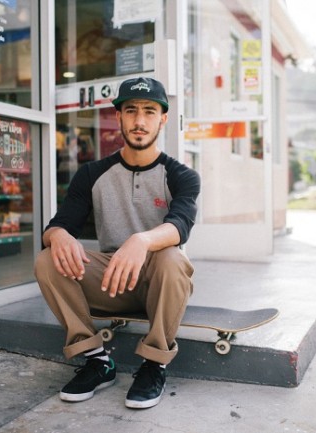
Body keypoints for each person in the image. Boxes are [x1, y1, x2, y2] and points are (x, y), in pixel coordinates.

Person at [34, 77, 200, 409]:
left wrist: (142, 241)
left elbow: (180, 226)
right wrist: (59, 235)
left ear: (163, 119)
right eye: (131, 110)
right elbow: (57, 226)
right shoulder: (92, 174)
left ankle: (154, 364)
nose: (140, 120)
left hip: (157, 284)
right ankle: (97, 360)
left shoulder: (181, 176)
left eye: (150, 111)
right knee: (47, 258)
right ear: (119, 117)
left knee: (172, 258)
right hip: (110, 281)